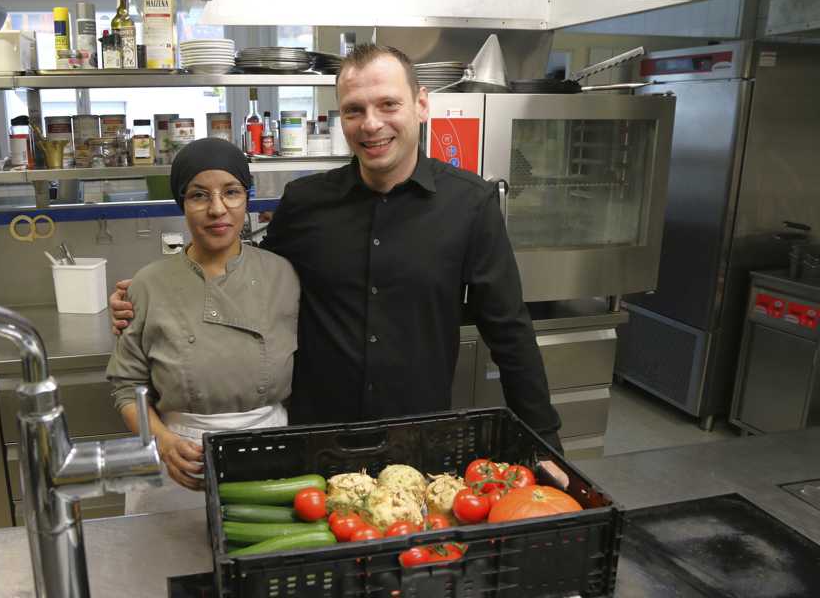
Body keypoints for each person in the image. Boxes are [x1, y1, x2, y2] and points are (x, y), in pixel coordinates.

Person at [111, 44, 563, 453]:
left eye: (388, 104)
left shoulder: (470, 204)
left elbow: (510, 333)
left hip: (417, 436)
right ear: (340, 117)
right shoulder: (306, 202)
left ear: (421, 104)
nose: (371, 124)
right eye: (354, 110)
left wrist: (545, 440)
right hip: (315, 438)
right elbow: (243, 273)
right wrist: (149, 301)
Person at [106, 137, 300, 511]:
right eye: (199, 195)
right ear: (182, 203)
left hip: (268, 452)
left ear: (247, 198)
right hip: (180, 460)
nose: (217, 209)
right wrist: (163, 442)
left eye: (231, 192)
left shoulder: (284, 276)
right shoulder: (149, 283)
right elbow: (127, 388)